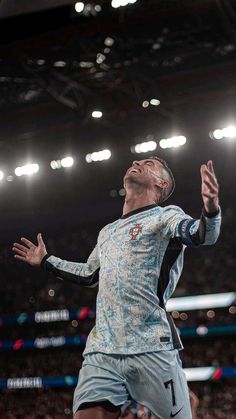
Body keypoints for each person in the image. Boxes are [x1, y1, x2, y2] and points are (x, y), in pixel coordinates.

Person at [13, 157, 221, 419]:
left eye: (148, 163)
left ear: (161, 182)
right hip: (103, 350)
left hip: (151, 346)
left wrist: (211, 208)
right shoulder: (107, 232)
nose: (136, 161)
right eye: (137, 160)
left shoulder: (166, 216)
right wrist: (46, 261)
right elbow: (90, 274)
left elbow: (203, 234)